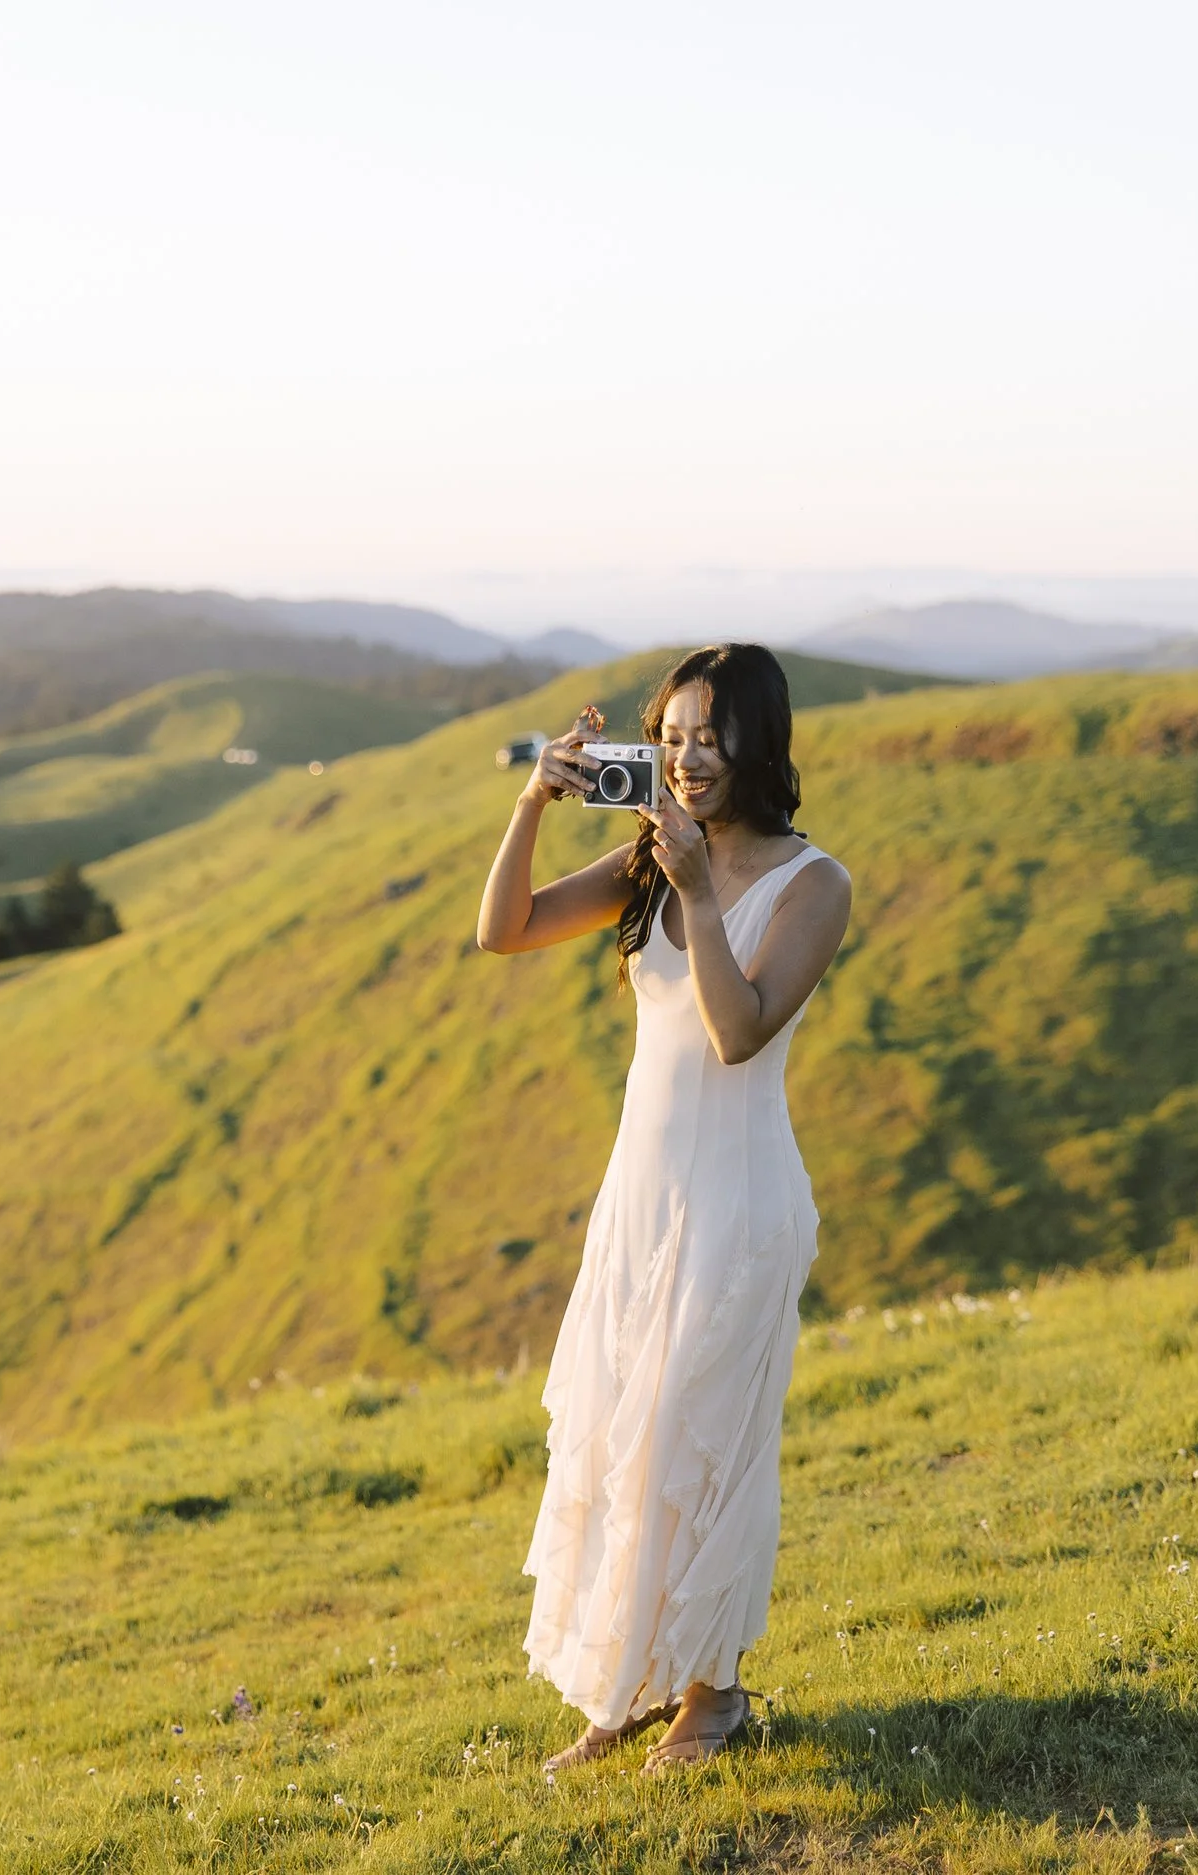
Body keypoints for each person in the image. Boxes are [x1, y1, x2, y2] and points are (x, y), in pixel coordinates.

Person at [475, 643, 851, 1775]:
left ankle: (715, 1694)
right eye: (671, 737)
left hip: (739, 1203)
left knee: (702, 1444)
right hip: (639, 1198)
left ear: (759, 743)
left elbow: (740, 1033)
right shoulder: (645, 859)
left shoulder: (812, 882)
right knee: (620, 1440)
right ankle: (627, 1687)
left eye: (710, 737)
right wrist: (533, 800)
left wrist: (693, 882)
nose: (688, 760)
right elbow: (503, 929)